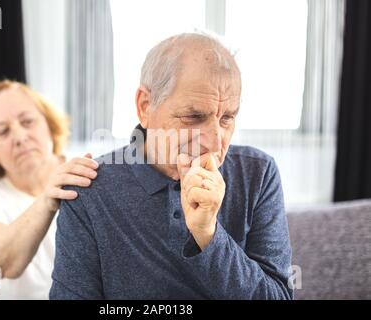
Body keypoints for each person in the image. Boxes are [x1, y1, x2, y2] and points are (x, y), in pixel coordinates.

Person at [50, 32, 293, 299]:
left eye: (227, 118)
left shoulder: (258, 174)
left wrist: (209, 235)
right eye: (193, 117)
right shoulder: (89, 189)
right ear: (145, 107)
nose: (214, 142)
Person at [0, 80, 99, 299]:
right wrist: (47, 199)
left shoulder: (90, 166)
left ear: (48, 125)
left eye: (27, 121)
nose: (20, 137)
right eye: (3, 131)